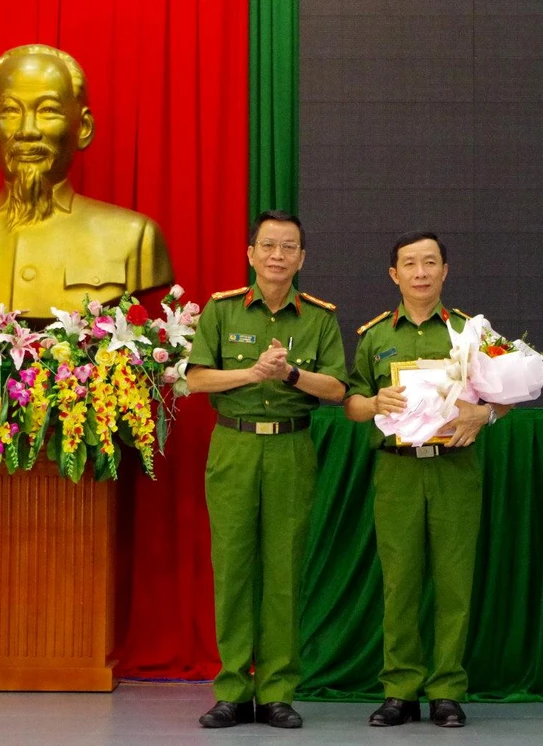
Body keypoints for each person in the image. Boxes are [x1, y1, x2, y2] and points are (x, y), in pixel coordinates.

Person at [186, 210, 347, 729]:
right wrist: (252, 373)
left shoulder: (319, 318)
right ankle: (233, 690)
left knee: (283, 570)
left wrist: (292, 373)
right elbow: (195, 380)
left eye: (289, 247)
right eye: (269, 245)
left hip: (290, 449)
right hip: (233, 446)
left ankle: (277, 691)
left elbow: (337, 389)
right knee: (233, 567)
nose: (278, 255)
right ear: (251, 253)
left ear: (302, 258)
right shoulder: (222, 310)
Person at [344, 231, 510, 728]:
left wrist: (486, 414)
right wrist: (374, 403)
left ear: (445, 270)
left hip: (454, 469)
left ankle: (446, 691)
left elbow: (511, 391)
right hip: (397, 471)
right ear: (394, 274)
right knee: (400, 583)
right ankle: (399, 690)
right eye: (410, 264)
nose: (421, 272)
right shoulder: (375, 335)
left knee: (454, 582)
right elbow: (352, 403)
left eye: (430, 262)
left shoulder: (471, 332)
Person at [0, 45, 173, 319]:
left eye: (47, 111)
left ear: (84, 128)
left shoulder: (135, 238)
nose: (27, 131)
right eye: (10, 111)